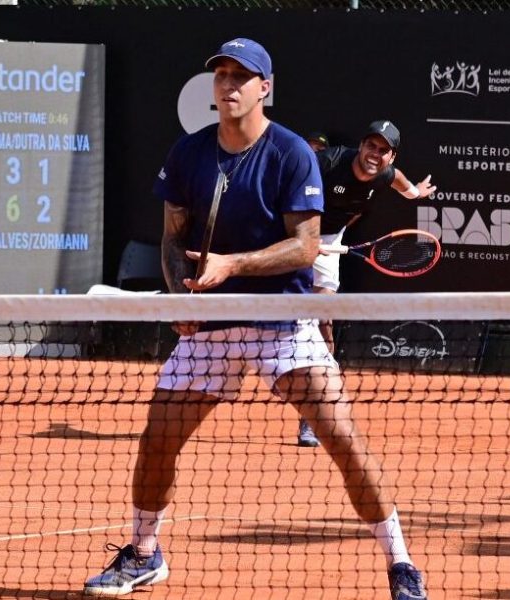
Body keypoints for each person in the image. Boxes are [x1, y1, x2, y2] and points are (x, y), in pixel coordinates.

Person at [83, 38, 428, 600]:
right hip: (211, 326)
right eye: (221, 74)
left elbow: (305, 246)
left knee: (341, 438)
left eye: (241, 76)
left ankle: (400, 563)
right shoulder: (188, 153)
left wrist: (234, 265)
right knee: (156, 441)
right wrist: (180, 298)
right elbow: (173, 237)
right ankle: (144, 553)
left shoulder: (292, 153)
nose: (228, 84)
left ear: (264, 87)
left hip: (281, 320)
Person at [296, 120, 437, 448]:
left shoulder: (385, 173)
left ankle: (314, 416)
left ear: (391, 157)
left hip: (328, 241)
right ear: (361, 146)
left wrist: (415, 193)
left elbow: (399, 181)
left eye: (383, 150)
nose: (375, 154)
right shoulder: (327, 162)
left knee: (322, 322)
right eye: (371, 145)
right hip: (290, 231)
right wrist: (301, 238)